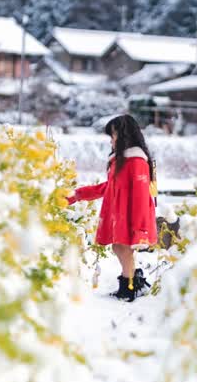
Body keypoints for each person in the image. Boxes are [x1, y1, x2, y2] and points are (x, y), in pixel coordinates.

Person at [67, 114, 157, 302]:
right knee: (120, 248)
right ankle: (133, 283)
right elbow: (109, 187)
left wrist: (139, 228)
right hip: (121, 214)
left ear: (124, 136)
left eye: (113, 135)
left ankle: (130, 286)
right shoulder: (121, 160)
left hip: (132, 214)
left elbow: (141, 196)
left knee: (122, 248)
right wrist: (78, 195)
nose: (111, 140)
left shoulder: (137, 162)